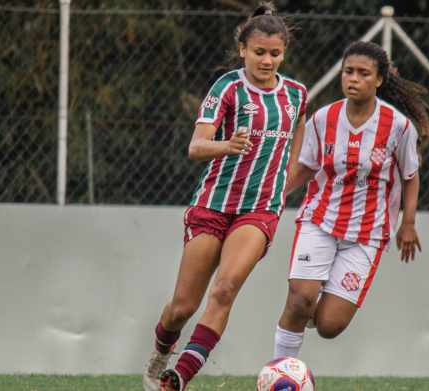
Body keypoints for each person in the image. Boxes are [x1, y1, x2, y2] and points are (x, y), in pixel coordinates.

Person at [141, 3, 308, 391]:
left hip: (259, 211)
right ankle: (161, 351)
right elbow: (196, 146)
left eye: (275, 53)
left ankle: (178, 376)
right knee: (182, 306)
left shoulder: (297, 95)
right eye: (259, 52)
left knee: (225, 288)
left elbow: (296, 157)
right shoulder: (228, 88)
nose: (267, 60)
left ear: (284, 53)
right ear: (243, 50)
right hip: (213, 205)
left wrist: (279, 191)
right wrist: (226, 145)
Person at [272, 41, 429, 360]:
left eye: (363, 73)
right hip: (319, 220)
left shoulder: (398, 127)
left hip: (367, 234)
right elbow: (307, 166)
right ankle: (278, 372)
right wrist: (275, 196)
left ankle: (300, 314)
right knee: (301, 298)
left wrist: (408, 223)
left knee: (330, 325)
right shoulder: (323, 118)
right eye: (349, 72)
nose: (354, 79)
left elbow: (410, 176)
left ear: (379, 79)